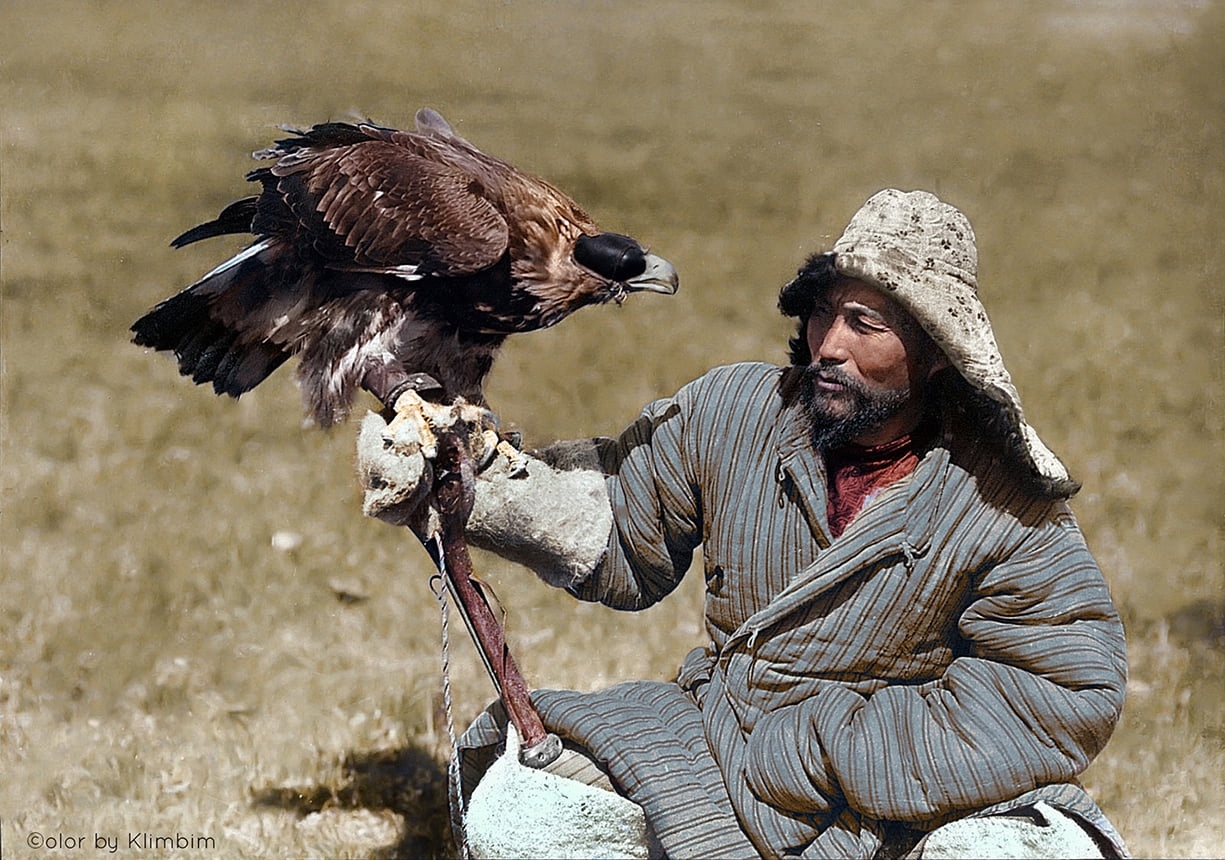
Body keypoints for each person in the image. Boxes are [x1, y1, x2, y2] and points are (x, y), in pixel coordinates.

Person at [358, 189, 1129, 858]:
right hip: (719, 747)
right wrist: (469, 481)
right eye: (824, 312)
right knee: (518, 818)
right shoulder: (736, 411)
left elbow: (1062, 685)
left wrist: (832, 748)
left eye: (865, 324)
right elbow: (624, 527)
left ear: (934, 354)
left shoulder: (999, 499)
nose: (828, 345)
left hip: (905, 799)